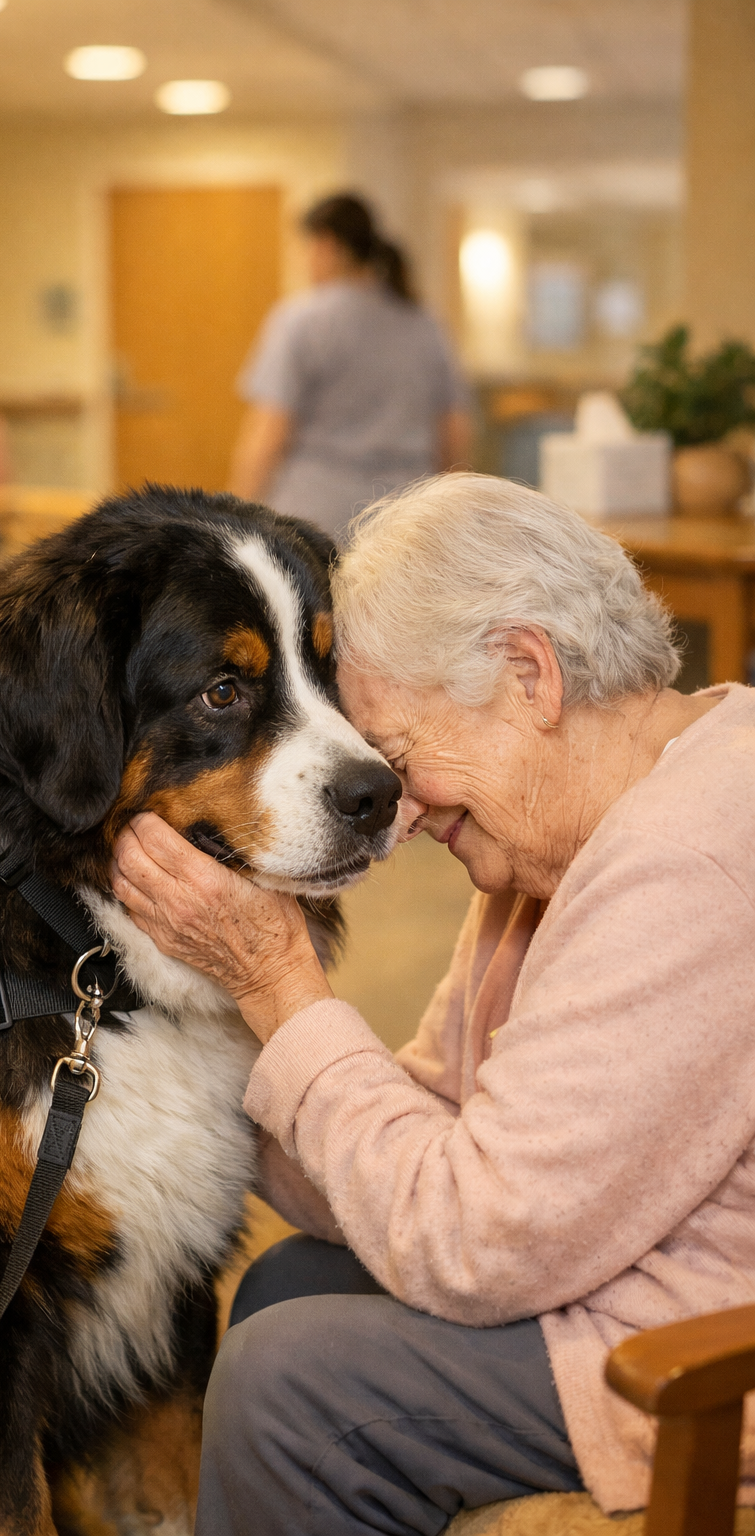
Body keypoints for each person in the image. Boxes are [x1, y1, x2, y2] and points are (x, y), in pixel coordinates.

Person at [111, 472, 755, 1534]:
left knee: (292, 1386)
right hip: (609, 1272)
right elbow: (410, 1145)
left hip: (701, 1349)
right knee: (290, 1283)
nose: (398, 818)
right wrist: (202, 1037)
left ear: (526, 674)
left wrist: (281, 988)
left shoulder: (687, 862)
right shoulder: (562, 848)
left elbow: (468, 1239)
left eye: (398, 760)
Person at [229, 193, 472, 540]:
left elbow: (268, 432)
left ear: (327, 246)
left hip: (316, 518)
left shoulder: (300, 320)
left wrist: (236, 512)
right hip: (405, 518)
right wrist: (453, 510)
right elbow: (455, 428)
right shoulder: (424, 324)